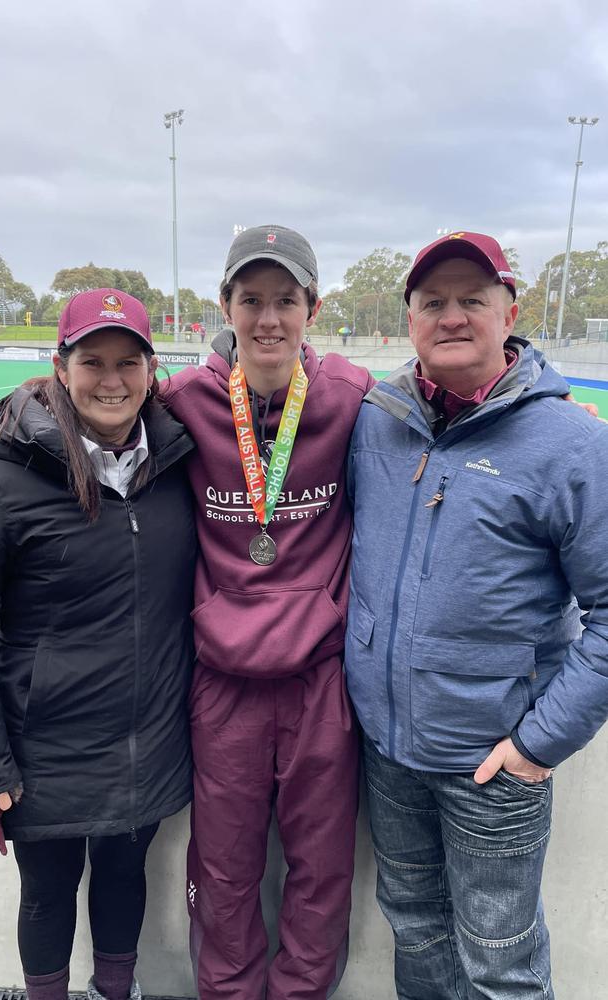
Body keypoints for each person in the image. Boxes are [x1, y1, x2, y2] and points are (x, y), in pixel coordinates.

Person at [345, 231, 608, 999]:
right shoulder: (377, 421)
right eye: (434, 302)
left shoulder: (571, 445)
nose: (451, 316)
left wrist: (537, 744)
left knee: (501, 963)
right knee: (415, 926)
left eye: (472, 300)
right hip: (389, 750)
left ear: (509, 313)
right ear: (409, 321)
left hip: (493, 764)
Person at [0, 289, 196, 1000]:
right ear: (62, 368)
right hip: (42, 748)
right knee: (47, 893)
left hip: (147, 739)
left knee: (125, 881)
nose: (112, 379)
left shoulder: (178, 465)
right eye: (93, 361)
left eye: (129, 362)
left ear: (153, 370)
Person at [158, 225, 374, 1000]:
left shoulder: (352, 397)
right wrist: (7, 438)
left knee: (321, 875)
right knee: (223, 874)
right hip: (224, 683)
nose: (269, 319)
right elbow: (94, 410)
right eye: (252, 300)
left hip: (321, 682)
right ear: (226, 306)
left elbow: (439, 422)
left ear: (313, 308)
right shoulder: (185, 402)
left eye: (286, 300)